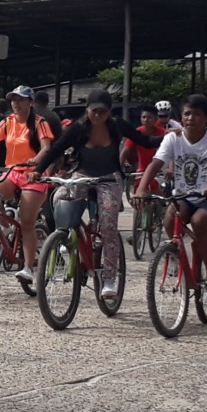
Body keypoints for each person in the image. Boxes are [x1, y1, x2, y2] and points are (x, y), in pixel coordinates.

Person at [32, 91, 134, 303]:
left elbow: (145, 140)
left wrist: (172, 135)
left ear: (109, 112)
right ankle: (65, 236)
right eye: (93, 110)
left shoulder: (116, 126)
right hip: (82, 175)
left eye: (102, 111)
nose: (97, 115)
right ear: (87, 109)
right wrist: (39, 170)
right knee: (59, 196)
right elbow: (55, 149)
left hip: (108, 179)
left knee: (107, 226)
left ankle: (108, 279)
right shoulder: (78, 128)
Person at [136, 93, 207, 312]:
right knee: (170, 217)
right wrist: (142, 188)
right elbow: (156, 163)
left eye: (197, 115)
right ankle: (178, 257)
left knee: (200, 220)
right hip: (183, 195)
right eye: (187, 114)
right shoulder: (173, 138)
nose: (190, 119)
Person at [0, 85, 52, 289]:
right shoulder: (8, 122)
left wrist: (36, 161)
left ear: (30, 103)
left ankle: (28, 268)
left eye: (21, 100)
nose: (16, 103)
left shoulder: (40, 123)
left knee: (27, 223)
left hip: (34, 174)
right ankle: (3, 222)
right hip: (13, 172)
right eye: (13, 100)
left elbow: (47, 148)